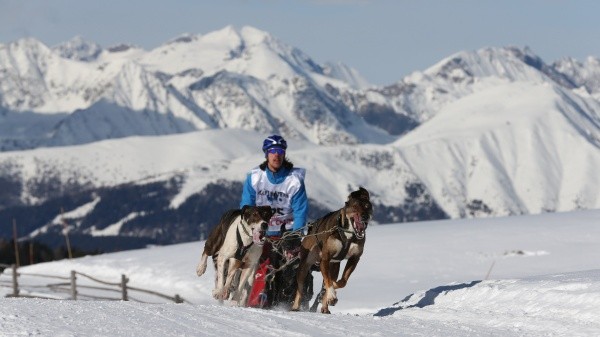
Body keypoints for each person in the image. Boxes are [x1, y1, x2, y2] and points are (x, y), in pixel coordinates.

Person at [240, 134, 309, 307]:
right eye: (272, 151)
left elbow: (301, 210)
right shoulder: (255, 177)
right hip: (260, 232)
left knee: (289, 268)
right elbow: (246, 207)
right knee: (257, 265)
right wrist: (251, 230)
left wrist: (294, 235)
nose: (276, 155)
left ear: (284, 154)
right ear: (266, 154)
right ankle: (252, 303)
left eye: (280, 151)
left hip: (287, 231)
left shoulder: (294, 179)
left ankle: (285, 305)